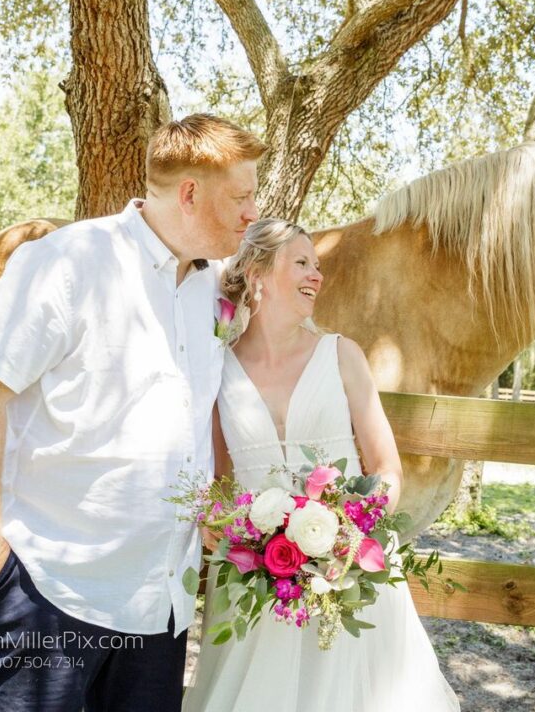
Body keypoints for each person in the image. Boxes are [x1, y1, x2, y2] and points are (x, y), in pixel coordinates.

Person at [0, 113, 266, 711]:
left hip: (159, 605)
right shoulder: (67, 262)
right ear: (190, 194)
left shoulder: (212, 287)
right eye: (242, 197)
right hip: (48, 594)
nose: (254, 212)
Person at [183, 218, 460, 712]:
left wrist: (347, 534)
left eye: (318, 265)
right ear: (257, 274)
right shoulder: (217, 368)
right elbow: (221, 482)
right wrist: (225, 522)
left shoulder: (341, 355)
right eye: (302, 264)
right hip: (256, 588)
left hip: (350, 574)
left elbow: (386, 470)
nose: (317, 276)